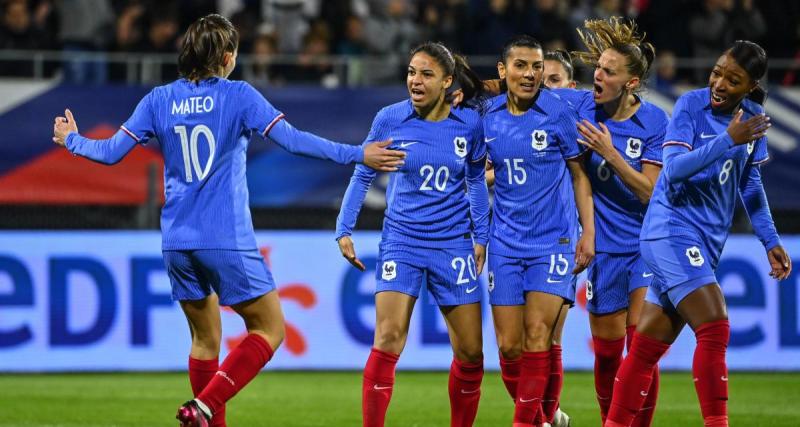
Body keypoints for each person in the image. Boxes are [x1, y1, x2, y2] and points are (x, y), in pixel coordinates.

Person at [51, 14, 406, 427]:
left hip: (176, 241)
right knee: (270, 330)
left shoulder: (158, 99)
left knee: (205, 340)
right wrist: (356, 153)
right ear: (226, 56)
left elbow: (110, 153)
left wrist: (70, 140)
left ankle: (202, 413)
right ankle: (203, 406)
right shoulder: (238, 95)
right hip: (224, 237)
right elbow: (292, 140)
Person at [604, 40, 792, 427]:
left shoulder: (752, 117)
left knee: (645, 349)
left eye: (733, 79)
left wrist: (770, 240)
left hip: (704, 243)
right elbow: (672, 170)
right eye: (718, 71)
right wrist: (728, 140)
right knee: (715, 325)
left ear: (751, 85)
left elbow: (750, 184)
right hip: (669, 230)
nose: (719, 83)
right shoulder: (692, 105)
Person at [335, 42, 489, 427]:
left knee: (471, 354)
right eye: (411, 72)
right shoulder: (390, 119)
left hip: (453, 243)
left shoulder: (468, 124)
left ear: (447, 81)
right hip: (402, 241)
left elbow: (475, 181)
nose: (415, 81)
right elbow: (363, 172)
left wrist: (481, 236)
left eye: (426, 74)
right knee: (387, 338)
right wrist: (344, 228)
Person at [549, 17, 669, 426]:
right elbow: (532, 96)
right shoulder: (581, 106)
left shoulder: (654, 123)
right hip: (603, 250)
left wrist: (610, 152)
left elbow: (650, 193)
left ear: (630, 83)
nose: (597, 75)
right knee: (606, 353)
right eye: (598, 67)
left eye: (608, 71)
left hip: (646, 246)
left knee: (640, 347)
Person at [481, 35, 594, 427]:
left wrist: (588, 233)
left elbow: (580, 176)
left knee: (538, 335)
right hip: (504, 243)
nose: (529, 74)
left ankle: (524, 423)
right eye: (520, 66)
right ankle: (545, 418)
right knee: (509, 348)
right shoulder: (488, 117)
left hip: (553, 242)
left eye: (536, 67)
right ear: (503, 71)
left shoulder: (558, 113)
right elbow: (478, 178)